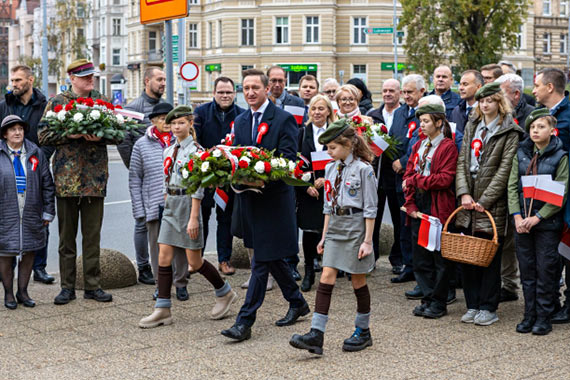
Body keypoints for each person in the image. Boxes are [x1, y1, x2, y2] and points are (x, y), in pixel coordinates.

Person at [221, 69, 309, 342]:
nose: (249, 93)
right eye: (245, 88)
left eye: (254, 88)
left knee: (260, 261)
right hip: (249, 202)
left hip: (273, 201)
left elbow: (287, 161)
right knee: (270, 258)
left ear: (267, 89)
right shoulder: (241, 119)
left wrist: (260, 181)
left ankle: (244, 321)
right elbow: (237, 155)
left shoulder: (283, 119)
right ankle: (297, 302)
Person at [139, 106, 238, 328]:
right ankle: (163, 309)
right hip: (171, 205)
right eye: (173, 123)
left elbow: (198, 188)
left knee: (195, 261)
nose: (176, 127)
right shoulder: (169, 150)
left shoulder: (196, 152)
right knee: (164, 256)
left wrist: (194, 218)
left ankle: (225, 292)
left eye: (181, 123)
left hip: (187, 206)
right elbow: (167, 178)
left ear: (190, 124)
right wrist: (166, 199)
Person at [289, 119, 378, 355]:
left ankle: (363, 330)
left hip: (356, 227)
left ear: (348, 144)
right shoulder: (331, 168)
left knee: (358, 280)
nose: (328, 152)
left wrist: (367, 241)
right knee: (326, 276)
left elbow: (370, 208)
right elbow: (328, 206)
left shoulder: (364, 169)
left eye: (332, 148)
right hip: (336, 227)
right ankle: (316, 334)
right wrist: (324, 236)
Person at [38, 59, 118, 305]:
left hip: (95, 181)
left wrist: (100, 138)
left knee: (92, 237)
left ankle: (93, 286)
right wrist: (68, 134)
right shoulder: (58, 102)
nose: (90, 80)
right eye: (84, 77)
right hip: (67, 181)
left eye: (91, 76)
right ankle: (67, 287)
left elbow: (118, 132)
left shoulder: (102, 101)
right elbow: (42, 134)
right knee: (66, 239)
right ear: (72, 78)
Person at [455, 82, 524, 326]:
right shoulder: (472, 125)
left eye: (490, 101)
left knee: (489, 256)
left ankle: (488, 306)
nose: (485, 105)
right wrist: (464, 193)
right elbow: (462, 161)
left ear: (499, 103)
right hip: (468, 201)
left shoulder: (510, 132)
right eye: (482, 101)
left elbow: (505, 169)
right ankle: (472, 304)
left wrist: (484, 200)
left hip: (490, 203)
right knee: (468, 253)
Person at [508, 109, 568, 335]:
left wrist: (536, 217)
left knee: (545, 271)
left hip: (546, 225)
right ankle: (529, 315)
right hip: (522, 223)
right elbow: (512, 187)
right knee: (527, 271)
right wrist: (517, 216)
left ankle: (544, 317)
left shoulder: (560, 156)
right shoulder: (521, 154)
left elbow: (559, 194)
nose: (535, 130)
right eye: (532, 126)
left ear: (552, 131)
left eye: (541, 127)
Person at [129, 102, 191, 300]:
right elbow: (135, 178)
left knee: (180, 246)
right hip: (154, 203)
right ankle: (161, 284)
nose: (167, 122)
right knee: (157, 248)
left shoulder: (182, 142)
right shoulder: (141, 144)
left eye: (170, 119)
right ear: (153, 120)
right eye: (162, 118)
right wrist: (139, 210)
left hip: (179, 202)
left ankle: (181, 283)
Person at [402, 103, 458, 319]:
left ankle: (439, 301)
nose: (422, 125)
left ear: (438, 122)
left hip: (437, 207)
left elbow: (445, 179)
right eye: (421, 121)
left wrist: (416, 180)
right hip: (419, 206)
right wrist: (411, 205)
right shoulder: (418, 146)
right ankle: (427, 297)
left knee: (439, 258)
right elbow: (408, 176)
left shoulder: (447, 147)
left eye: (426, 121)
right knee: (421, 257)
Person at [0, 64, 54, 284]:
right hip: (7, 164)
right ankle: (8, 268)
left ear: (30, 80)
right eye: (12, 80)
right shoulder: (5, 105)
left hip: (35, 166)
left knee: (37, 219)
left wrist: (40, 157)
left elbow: (51, 136)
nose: (14, 84)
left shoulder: (44, 106)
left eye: (18, 80)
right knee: (10, 219)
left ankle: (39, 268)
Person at [118, 66, 166, 286]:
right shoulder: (133, 109)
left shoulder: (168, 107)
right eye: (159, 79)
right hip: (144, 177)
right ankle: (144, 266)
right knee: (142, 222)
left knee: (164, 223)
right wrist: (135, 166)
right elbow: (123, 140)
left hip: (165, 177)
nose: (163, 83)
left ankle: (165, 264)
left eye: (164, 79)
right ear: (147, 81)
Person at [0, 115, 55, 309]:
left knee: (29, 251)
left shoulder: (35, 153)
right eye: (12, 129)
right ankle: (8, 293)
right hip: (6, 213)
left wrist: (48, 211)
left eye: (20, 129)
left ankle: (22, 292)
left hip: (31, 211)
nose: (17, 132)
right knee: (5, 253)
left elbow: (47, 184)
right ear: (5, 134)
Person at [194, 76, 245, 276]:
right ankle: (197, 259)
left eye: (228, 92)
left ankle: (224, 259)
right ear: (214, 93)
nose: (225, 96)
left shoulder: (241, 115)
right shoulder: (201, 113)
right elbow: (195, 141)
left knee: (226, 220)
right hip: (206, 177)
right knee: (202, 218)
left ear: (234, 94)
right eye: (221, 92)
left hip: (229, 178)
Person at [533, 68, 570, 324]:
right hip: (547, 192)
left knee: (568, 250)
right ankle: (552, 301)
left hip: (566, 192)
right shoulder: (544, 116)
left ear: (549, 87)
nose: (533, 90)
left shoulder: (567, 115)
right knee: (553, 251)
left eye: (536, 85)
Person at [266, 65, 306, 278]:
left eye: (281, 80)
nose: (278, 84)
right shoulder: (262, 104)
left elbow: (299, 133)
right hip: (266, 166)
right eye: (273, 80)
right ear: (268, 83)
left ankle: (291, 263)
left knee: (290, 217)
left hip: (290, 164)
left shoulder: (297, 103)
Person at [297, 94, 337, 292]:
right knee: (309, 231)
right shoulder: (301, 133)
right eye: (314, 109)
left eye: (321, 108)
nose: (317, 112)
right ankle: (309, 271)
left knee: (327, 230)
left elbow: (340, 159)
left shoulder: (335, 133)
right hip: (308, 191)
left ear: (329, 111)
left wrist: (327, 179)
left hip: (329, 190)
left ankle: (328, 271)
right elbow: (295, 163)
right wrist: (306, 186)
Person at [390, 74, 425, 284]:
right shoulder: (400, 112)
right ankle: (407, 265)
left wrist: (404, 161)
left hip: (415, 176)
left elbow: (419, 143)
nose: (406, 96)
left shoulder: (424, 112)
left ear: (422, 91)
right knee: (402, 225)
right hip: (398, 177)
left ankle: (418, 266)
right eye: (404, 92)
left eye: (410, 92)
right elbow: (395, 139)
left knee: (415, 225)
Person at [368, 79, 403, 274]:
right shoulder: (373, 115)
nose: (388, 94)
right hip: (376, 175)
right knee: (373, 216)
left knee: (398, 219)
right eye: (384, 90)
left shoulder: (404, 114)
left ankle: (397, 258)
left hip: (396, 175)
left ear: (398, 93)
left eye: (391, 90)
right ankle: (371, 256)